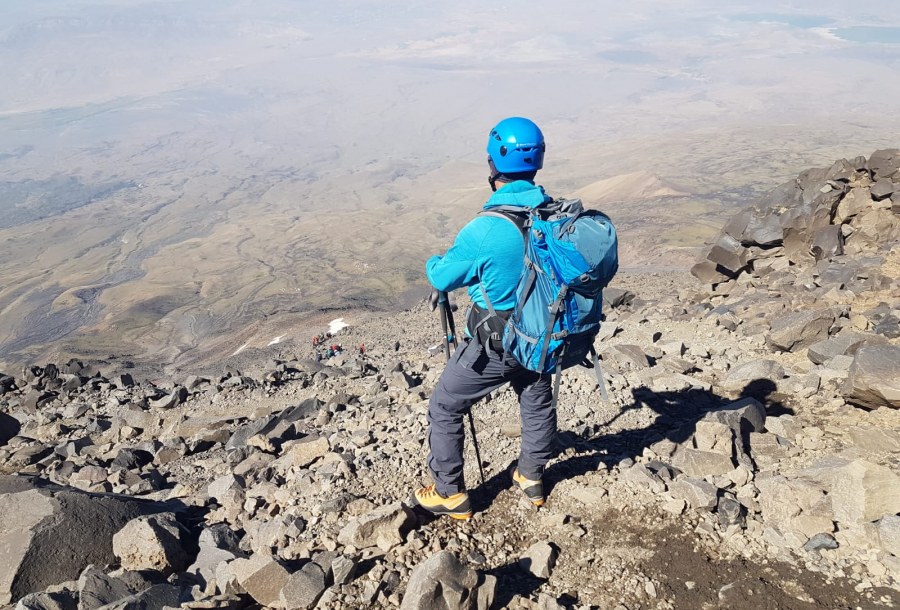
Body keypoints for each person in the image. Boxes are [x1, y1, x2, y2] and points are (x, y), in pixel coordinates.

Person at [410, 117, 553, 520]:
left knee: (445, 405)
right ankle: (531, 477)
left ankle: (449, 493)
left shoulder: (486, 229)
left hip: (500, 341)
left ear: (494, 163)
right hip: (542, 331)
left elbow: (442, 276)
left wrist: (434, 260)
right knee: (535, 396)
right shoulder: (551, 213)